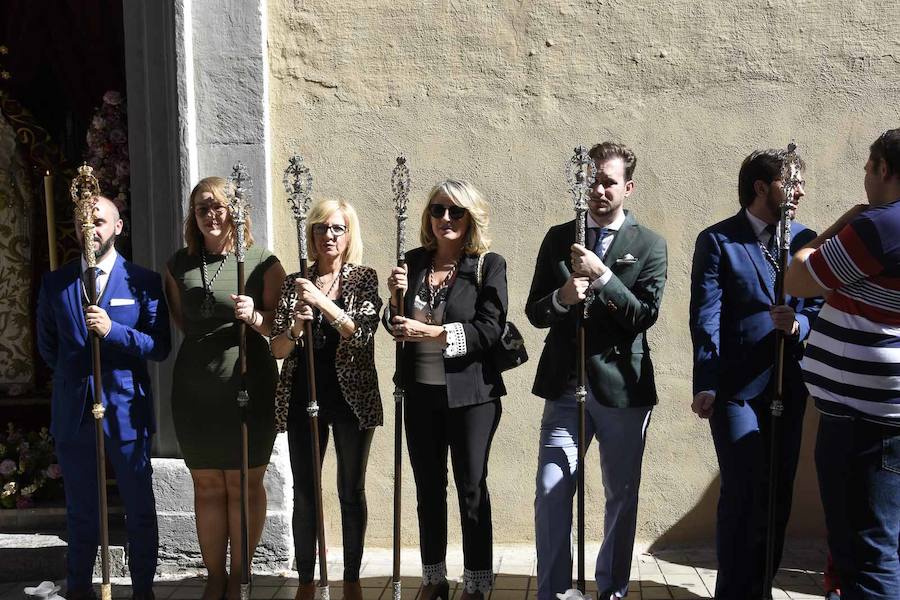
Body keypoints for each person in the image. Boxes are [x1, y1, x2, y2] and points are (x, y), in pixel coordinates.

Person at [527, 142, 667, 600]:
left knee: (620, 498)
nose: (598, 188)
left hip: (623, 390)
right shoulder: (557, 237)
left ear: (627, 187)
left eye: (608, 180)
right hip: (566, 386)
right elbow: (535, 312)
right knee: (551, 491)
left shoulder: (649, 244)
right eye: (592, 179)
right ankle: (553, 592)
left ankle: (611, 591)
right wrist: (564, 296)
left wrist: (603, 276)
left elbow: (643, 315)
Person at [689, 148, 822, 599]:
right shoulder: (718, 241)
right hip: (736, 391)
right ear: (762, 188)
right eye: (792, 182)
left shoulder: (807, 240)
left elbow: (820, 307)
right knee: (745, 488)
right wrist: (706, 381)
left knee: (778, 493)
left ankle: (762, 586)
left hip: (789, 384)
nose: (801, 190)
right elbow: (706, 314)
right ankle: (734, 591)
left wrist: (799, 324)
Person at [36, 195, 171, 600]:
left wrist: (113, 330)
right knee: (81, 511)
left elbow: (159, 345)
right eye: (82, 221)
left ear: (117, 227)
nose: (89, 228)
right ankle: (79, 589)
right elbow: (47, 347)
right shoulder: (55, 283)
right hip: (74, 412)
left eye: (98, 220)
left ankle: (143, 589)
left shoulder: (142, 282)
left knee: (139, 509)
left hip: (125, 411)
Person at [785, 128, 900, 600]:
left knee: (867, 554)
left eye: (868, 168)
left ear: (884, 170)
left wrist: (842, 223)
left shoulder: (881, 226)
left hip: (864, 423)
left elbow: (798, 276)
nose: (865, 180)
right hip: (875, 417)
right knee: (865, 549)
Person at [385, 179, 507, 600]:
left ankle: (476, 583)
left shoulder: (488, 265)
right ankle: (434, 579)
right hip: (421, 393)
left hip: (472, 396)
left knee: (471, 489)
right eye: (438, 210)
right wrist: (394, 303)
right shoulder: (413, 261)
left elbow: (489, 330)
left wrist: (431, 332)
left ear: (470, 216)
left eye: (456, 211)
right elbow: (397, 325)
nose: (446, 219)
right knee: (428, 489)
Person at [165, 176, 285, 600]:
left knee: (243, 484)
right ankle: (215, 578)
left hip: (248, 387)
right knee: (207, 486)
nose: (212, 213)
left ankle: (241, 576)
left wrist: (254, 316)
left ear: (235, 210)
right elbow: (184, 321)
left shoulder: (262, 262)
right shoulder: (178, 264)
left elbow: (282, 331)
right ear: (193, 217)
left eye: (219, 205)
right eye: (202, 207)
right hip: (196, 392)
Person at [269, 199, 382, 600]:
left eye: (337, 229)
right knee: (305, 489)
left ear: (349, 235)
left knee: (350, 488)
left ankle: (351, 578)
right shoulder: (294, 282)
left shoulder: (363, 279)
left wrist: (322, 303)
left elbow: (363, 332)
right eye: (321, 228)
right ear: (311, 235)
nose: (328, 236)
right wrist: (296, 328)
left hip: (352, 398)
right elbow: (277, 350)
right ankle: (304, 579)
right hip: (304, 396)